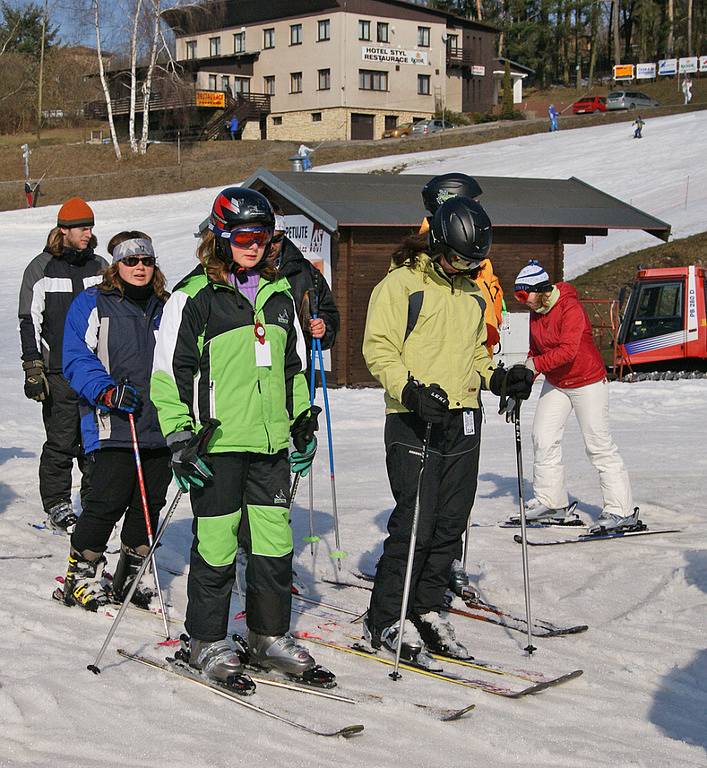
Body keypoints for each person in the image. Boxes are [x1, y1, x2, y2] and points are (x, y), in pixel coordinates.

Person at [150, 187, 330, 686]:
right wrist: (181, 438)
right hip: (218, 446)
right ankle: (205, 640)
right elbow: (168, 376)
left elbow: (292, 369)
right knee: (217, 546)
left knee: (274, 547)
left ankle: (265, 635)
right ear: (221, 237)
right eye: (245, 236)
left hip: (270, 445)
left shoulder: (279, 297)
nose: (255, 246)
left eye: (263, 237)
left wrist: (300, 419)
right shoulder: (193, 298)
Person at [361, 196, 533, 664]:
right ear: (437, 243)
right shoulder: (401, 285)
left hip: (463, 418)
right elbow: (378, 350)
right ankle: (385, 618)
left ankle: (429, 608)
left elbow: (477, 355)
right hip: (413, 417)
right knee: (417, 520)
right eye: (459, 258)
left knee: (451, 522)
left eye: (475, 261)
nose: (466, 267)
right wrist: (411, 390)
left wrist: (499, 378)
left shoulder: (474, 293)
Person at [58, 232, 171, 611]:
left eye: (146, 261)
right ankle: (81, 575)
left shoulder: (166, 307)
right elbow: (75, 356)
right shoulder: (94, 303)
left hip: (160, 422)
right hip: (113, 420)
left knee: (149, 502)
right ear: (116, 265)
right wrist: (105, 391)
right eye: (131, 261)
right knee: (106, 499)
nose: (139, 268)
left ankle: (131, 575)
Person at [419, 172, 505, 599]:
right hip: (436, 387)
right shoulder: (433, 250)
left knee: (457, 494)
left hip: (471, 380)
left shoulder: (474, 250)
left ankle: (447, 560)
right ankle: (426, 568)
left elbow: (487, 310)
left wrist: (496, 371)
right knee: (431, 496)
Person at [513, 259, 637, 534]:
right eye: (517, 296)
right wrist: (524, 379)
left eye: (524, 294)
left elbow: (568, 351)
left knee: (598, 445)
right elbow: (536, 352)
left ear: (542, 289)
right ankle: (551, 501)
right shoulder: (537, 310)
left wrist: (536, 366)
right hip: (557, 382)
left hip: (588, 382)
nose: (522, 301)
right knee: (543, 437)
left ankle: (621, 510)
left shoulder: (570, 307)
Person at [18, 197, 107, 532]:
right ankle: (57, 503)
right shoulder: (40, 268)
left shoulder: (99, 265)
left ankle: (94, 500)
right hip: (58, 371)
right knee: (62, 440)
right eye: (82, 228)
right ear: (64, 230)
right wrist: (33, 367)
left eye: (90, 227)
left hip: (96, 370)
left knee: (96, 438)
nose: (88, 233)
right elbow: (29, 320)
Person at [263, 198, 340, 383]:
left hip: (295, 377)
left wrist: (323, 328)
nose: (271, 246)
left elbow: (330, 315)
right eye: (266, 239)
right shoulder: (242, 272)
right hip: (253, 376)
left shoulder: (305, 271)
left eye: (277, 239)